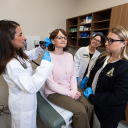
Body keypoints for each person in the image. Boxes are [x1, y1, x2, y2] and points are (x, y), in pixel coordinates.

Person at [0, 20, 53, 128]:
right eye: (20, 35)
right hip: (22, 107)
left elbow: (29, 55)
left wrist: (40, 48)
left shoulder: (16, 55)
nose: (24, 37)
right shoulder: (11, 64)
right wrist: (46, 64)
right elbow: (31, 85)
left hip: (26, 102)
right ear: (8, 39)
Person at [45, 29, 96, 128]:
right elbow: (51, 84)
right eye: (59, 37)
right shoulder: (48, 57)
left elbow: (73, 75)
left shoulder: (69, 56)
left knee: (90, 106)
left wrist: (74, 90)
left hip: (69, 88)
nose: (63, 40)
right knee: (80, 110)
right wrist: (71, 93)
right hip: (53, 93)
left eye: (65, 37)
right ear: (52, 41)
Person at [83, 26, 128, 128]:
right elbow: (93, 73)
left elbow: (117, 98)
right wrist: (89, 85)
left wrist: (92, 97)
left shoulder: (125, 67)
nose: (106, 43)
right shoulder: (103, 57)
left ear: (124, 43)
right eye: (107, 39)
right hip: (95, 104)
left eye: (111, 40)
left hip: (110, 112)